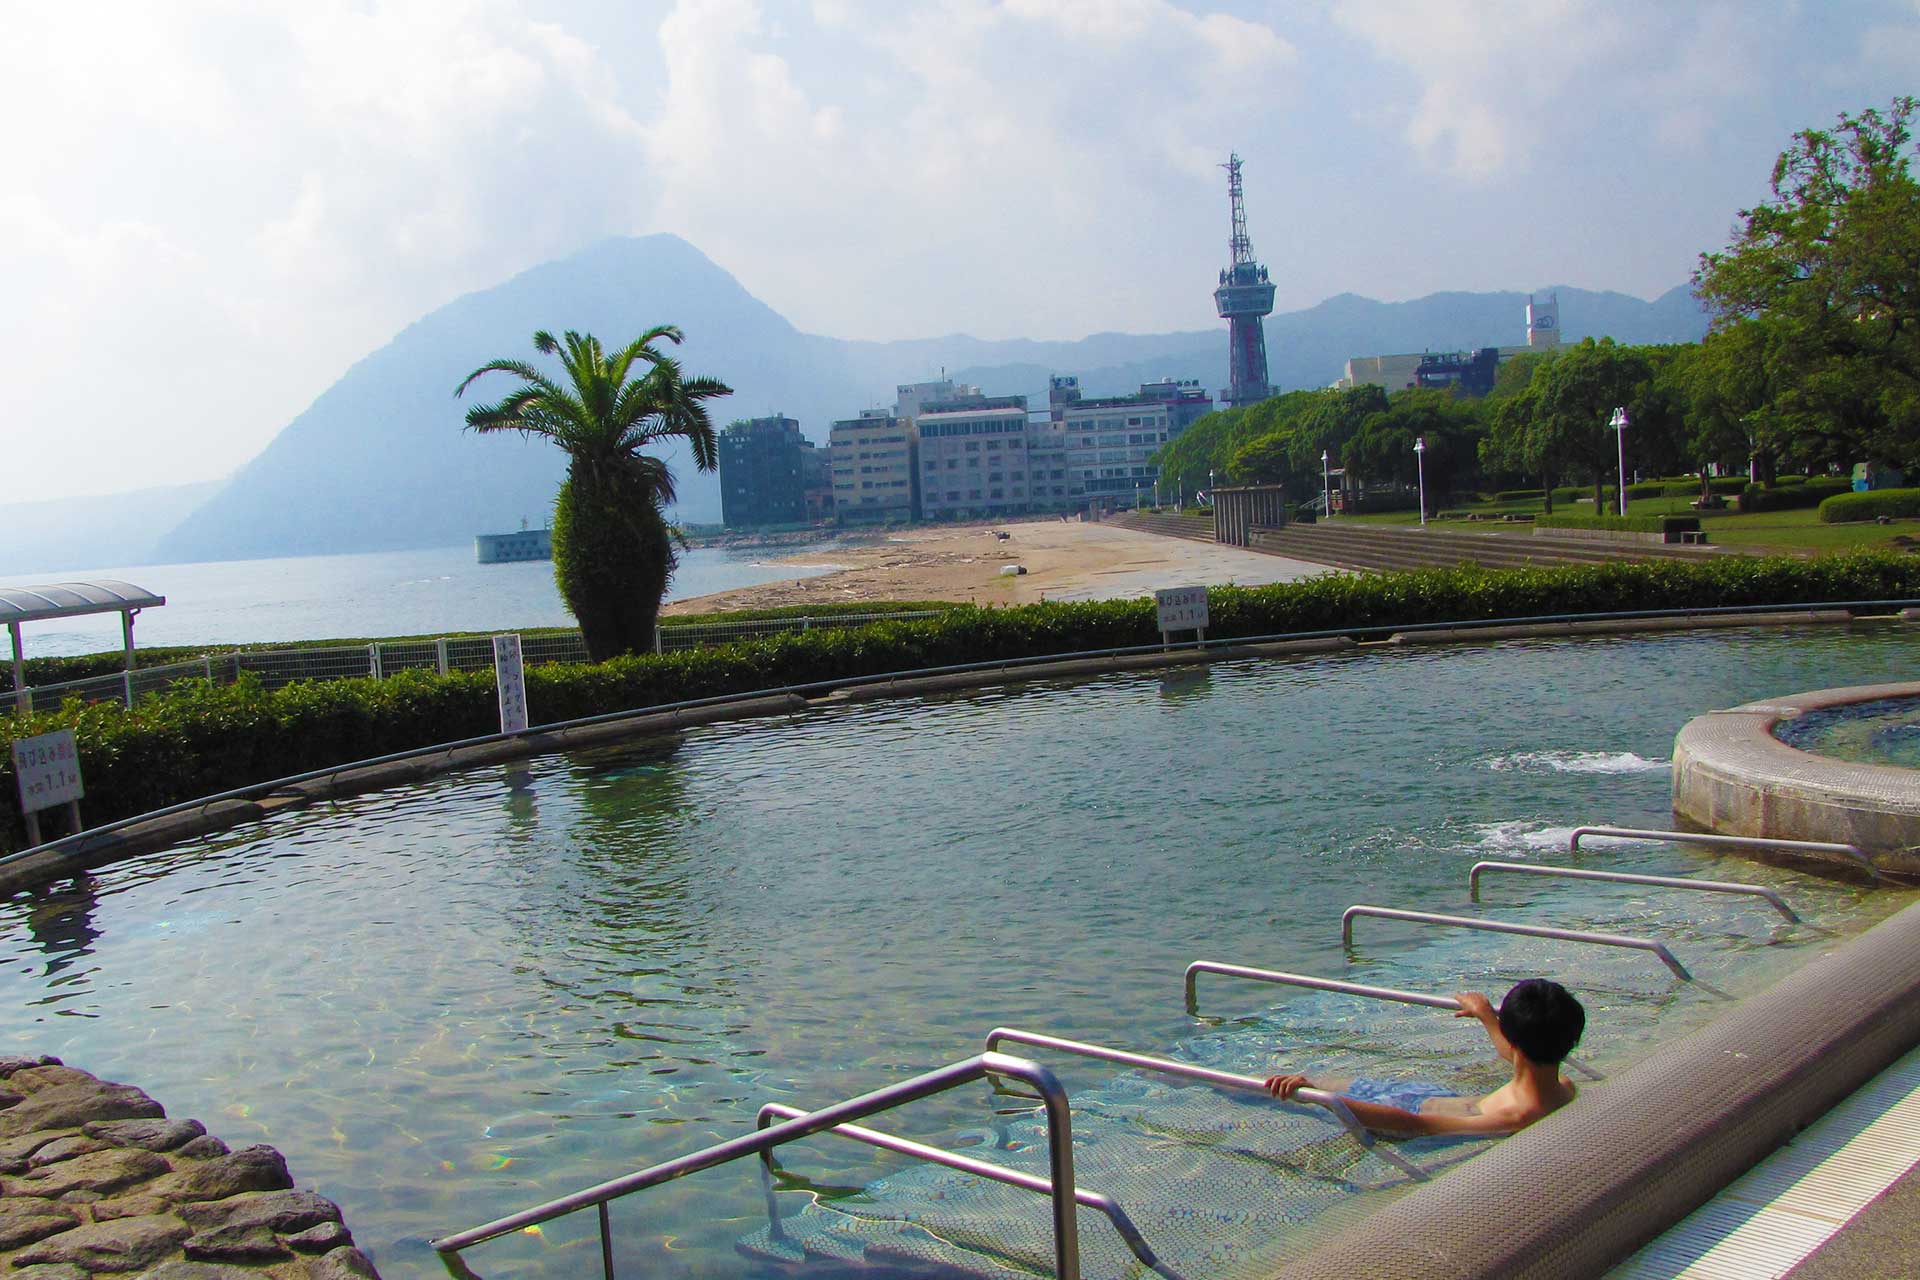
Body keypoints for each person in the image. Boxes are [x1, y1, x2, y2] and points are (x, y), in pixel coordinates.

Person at [1264, 979, 1585, 1137]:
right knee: (1307, 1082)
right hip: (1430, 1097)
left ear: (1516, 1042)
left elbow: (1415, 1125)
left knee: (1273, 1089)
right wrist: (1486, 1017)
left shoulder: (1512, 1118)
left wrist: (1324, 1100)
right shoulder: (1563, 1087)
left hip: (1405, 1109)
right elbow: (1518, 1054)